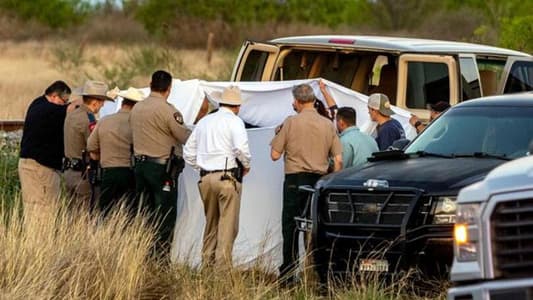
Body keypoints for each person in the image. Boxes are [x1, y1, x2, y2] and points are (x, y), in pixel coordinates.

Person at [270, 83, 342, 282]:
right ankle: (316, 273)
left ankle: (289, 274)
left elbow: (274, 155)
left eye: (294, 100)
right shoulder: (328, 124)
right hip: (319, 182)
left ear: (299, 102)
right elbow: (338, 160)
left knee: (290, 227)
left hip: (294, 180)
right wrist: (331, 182)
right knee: (316, 228)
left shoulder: (290, 122)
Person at [183, 86, 252, 268]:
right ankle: (222, 272)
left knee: (211, 224)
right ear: (237, 106)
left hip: (206, 179)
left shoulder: (205, 122)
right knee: (227, 227)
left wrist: (203, 168)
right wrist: (246, 165)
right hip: (227, 178)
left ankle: (207, 265)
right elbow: (240, 149)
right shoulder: (235, 122)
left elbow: (188, 152)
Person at [130, 70, 191, 254]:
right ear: (169, 89)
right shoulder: (168, 111)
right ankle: (160, 257)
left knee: (145, 212)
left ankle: (142, 252)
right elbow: (183, 136)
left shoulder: (137, 108)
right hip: (162, 169)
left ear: (150, 84)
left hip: (139, 166)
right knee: (164, 213)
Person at [18, 80, 73, 221]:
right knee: (43, 211)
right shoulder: (46, 109)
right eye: (64, 101)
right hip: (40, 168)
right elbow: (70, 109)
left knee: (36, 209)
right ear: (54, 96)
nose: (65, 104)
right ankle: (39, 241)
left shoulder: (37, 104)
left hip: (34, 166)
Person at [87, 87, 145, 215]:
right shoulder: (138, 124)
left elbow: (91, 146)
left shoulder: (104, 121)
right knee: (129, 213)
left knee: (106, 212)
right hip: (130, 173)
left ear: (123, 103)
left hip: (108, 172)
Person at [63, 80, 114, 208]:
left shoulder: (71, 115)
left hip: (68, 172)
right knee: (84, 217)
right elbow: (93, 147)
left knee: (72, 215)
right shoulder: (89, 120)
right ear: (95, 102)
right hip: (83, 175)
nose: (102, 106)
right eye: (102, 102)